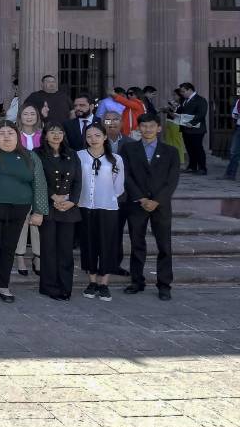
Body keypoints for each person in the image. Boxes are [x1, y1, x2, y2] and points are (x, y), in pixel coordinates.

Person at [0, 121, 49, 302]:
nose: (6, 136)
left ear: (17, 135)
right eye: (2, 133)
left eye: (10, 133)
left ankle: (3, 285)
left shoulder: (30, 156)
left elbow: (39, 183)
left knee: (8, 248)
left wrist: (39, 211)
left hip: (18, 212)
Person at [121, 113, 181, 300]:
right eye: (144, 126)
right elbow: (126, 176)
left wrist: (157, 200)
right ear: (138, 128)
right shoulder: (129, 149)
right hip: (137, 204)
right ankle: (137, 281)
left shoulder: (171, 151)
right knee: (137, 244)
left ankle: (164, 285)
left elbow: (172, 180)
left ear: (159, 128)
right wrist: (140, 198)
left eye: (151, 126)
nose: (147, 130)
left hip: (161, 205)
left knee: (164, 246)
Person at [76, 122, 126, 301]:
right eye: (89, 136)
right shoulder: (79, 156)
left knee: (107, 243)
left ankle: (104, 282)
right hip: (85, 206)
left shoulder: (116, 159)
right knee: (88, 243)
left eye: (97, 135)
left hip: (107, 207)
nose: (93, 139)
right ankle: (92, 281)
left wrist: (106, 196)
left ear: (105, 137)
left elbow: (118, 186)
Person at [36, 123, 81, 301]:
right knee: (49, 249)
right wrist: (54, 196)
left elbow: (78, 181)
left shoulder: (72, 154)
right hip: (48, 206)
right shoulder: (38, 154)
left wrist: (72, 201)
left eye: (60, 132)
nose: (56, 135)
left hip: (68, 208)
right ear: (45, 135)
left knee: (65, 250)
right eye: (52, 132)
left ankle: (65, 286)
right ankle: (49, 287)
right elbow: (37, 179)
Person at [14, 105, 43, 277]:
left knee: (38, 220)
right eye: (26, 114)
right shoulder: (14, 135)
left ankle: (38, 256)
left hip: (40, 184)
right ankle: (20, 256)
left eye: (33, 113)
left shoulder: (43, 135)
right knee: (22, 221)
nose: (29, 117)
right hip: (20, 185)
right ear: (20, 116)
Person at [175, 82, 209, 175]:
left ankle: (202, 168)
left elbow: (201, 114)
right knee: (189, 148)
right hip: (185, 128)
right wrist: (176, 110)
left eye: (183, 91)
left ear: (190, 90)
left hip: (196, 129)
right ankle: (192, 166)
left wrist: (192, 123)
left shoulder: (200, 100)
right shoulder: (184, 100)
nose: (182, 93)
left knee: (198, 148)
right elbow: (181, 111)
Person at [223, 94, 240, 182]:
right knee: (234, 152)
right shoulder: (238, 101)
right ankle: (230, 174)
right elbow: (234, 114)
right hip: (239, 129)